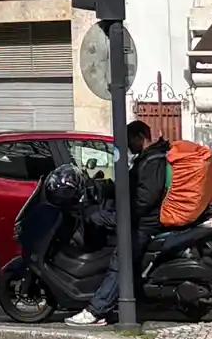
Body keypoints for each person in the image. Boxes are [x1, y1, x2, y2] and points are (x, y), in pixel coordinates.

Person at [71, 119, 169, 326]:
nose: (127, 147)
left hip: (142, 222)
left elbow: (145, 197)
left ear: (139, 138)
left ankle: (97, 309)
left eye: (129, 141)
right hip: (135, 216)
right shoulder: (146, 158)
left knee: (121, 260)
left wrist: (123, 214)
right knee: (93, 216)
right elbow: (129, 186)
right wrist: (103, 188)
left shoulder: (153, 161)